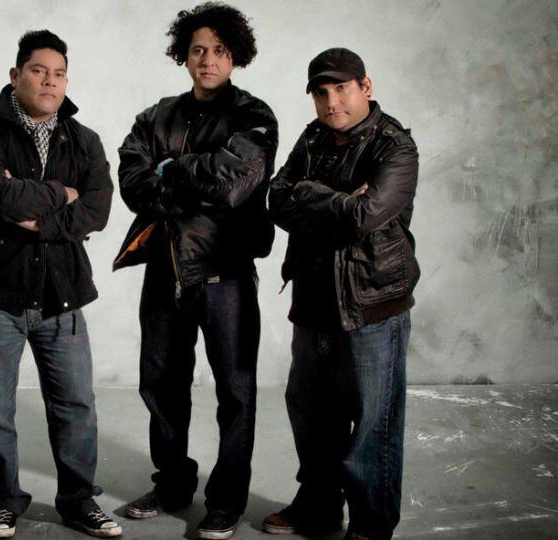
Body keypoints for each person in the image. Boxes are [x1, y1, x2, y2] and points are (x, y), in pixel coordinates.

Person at [113, 3, 278, 538]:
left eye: (220, 51)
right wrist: (192, 181)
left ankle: (226, 501)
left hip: (225, 274)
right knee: (161, 385)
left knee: (236, 392)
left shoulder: (254, 116)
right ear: (183, 55)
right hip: (164, 272)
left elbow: (235, 183)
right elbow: (133, 183)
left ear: (235, 56)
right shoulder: (155, 117)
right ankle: (172, 484)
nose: (208, 59)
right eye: (199, 50)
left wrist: (172, 168)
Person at [0, 30, 119, 539]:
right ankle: (3, 502)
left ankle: (79, 501)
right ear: (16, 75)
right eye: (38, 71)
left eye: (59, 73)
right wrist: (62, 194)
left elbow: (97, 210)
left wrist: (36, 212)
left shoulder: (84, 139)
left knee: (76, 406)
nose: (50, 81)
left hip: (61, 295)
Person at [264, 48, 419, 540]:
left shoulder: (395, 146)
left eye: (342, 89)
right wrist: (331, 200)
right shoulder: (313, 137)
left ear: (365, 86)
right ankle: (319, 507)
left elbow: (364, 217)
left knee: (373, 423)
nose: (332, 102)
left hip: (371, 303)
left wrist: (310, 192)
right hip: (313, 299)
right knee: (311, 413)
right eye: (321, 92)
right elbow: (277, 200)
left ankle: (371, 526)